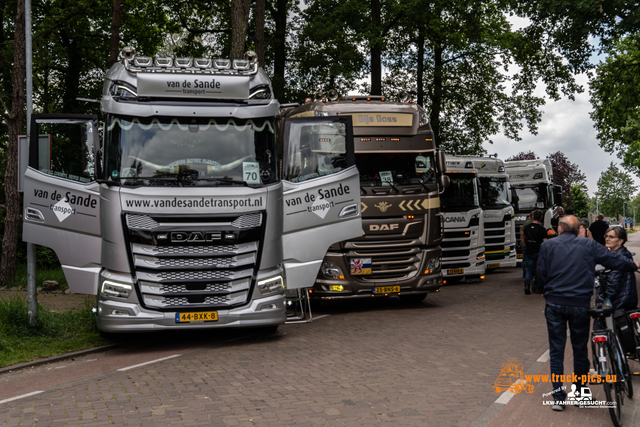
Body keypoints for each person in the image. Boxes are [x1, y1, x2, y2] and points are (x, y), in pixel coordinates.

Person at [537, 215, 640, 412]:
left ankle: (558, 398)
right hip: (579, 304)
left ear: (559, 229)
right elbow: (613, 260)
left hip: (555, 303)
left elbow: (541, 271)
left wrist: (544, 289)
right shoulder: (588, 245)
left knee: (556, 351)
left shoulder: (548, 246)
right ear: (578, 230)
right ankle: (581, 394)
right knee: (579, 350)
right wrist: (632, 265)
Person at [522, 209, 546, 295]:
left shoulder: (527, 228)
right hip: (538, 251)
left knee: (529, 269)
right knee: (538, 270)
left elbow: (524, 236)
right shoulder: (542, 229)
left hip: (529, 251)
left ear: (532, 217)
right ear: (541, 218)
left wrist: (525, 245)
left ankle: (527, 284)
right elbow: (545, 242)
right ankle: (538, 286)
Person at [519, 214, 532, 279]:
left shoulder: (523, 227)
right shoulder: (524, 227)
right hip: (527, 245)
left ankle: (525, 272)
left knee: (525, 258)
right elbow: (521, 236)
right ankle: (525, 271)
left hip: (526, 244)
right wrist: (524, 244)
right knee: (525, 258)